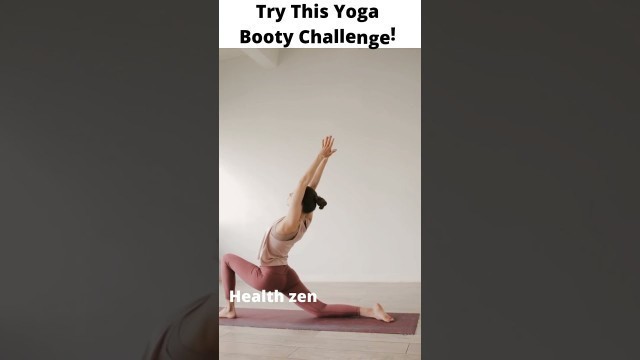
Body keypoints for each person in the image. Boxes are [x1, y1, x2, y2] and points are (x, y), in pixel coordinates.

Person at [219, 136, 394, 322]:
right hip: (286, 275)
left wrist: (319, 156)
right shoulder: (306, 218)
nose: (291, 194)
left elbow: (303, 184)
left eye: (293, 195)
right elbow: (311, 188)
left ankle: (229, 308)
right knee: (320, 309)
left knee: (227, 258)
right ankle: (370, 311)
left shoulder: (289, 224)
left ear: (298, 201)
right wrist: (325, 160)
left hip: (268, 277)